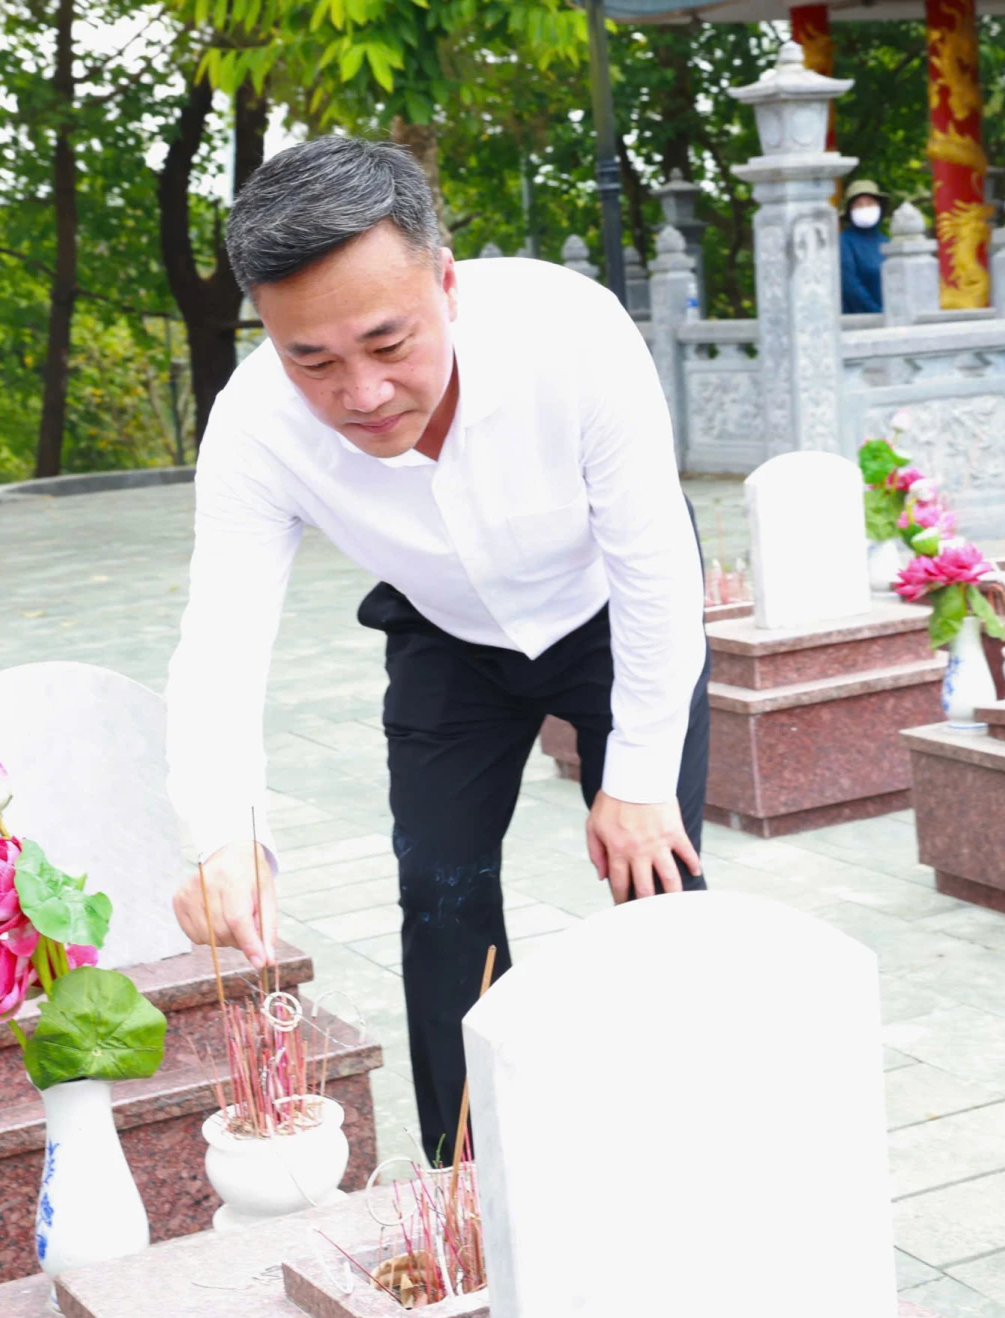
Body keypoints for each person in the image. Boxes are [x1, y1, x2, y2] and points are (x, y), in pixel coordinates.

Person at [164, 136, 710, 1165]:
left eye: (388, 343)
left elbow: (656, 570)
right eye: (313, 361)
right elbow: (221, 638)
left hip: (609, 609)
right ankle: (467, 1175)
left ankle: (692, 1140)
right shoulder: (253, 427)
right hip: (446, 634)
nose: (363, 392)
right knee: (439, 892)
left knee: (657, 876)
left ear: (447, 284)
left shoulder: (573, 333)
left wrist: (637, 778)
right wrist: (223, 832)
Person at [840, 178, 888, 315]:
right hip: (860, 319)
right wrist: (876, 312)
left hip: (891, 315)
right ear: (849, 211)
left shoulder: (885, 241)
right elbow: (849, 285)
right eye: (858, 205)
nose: (865, 208)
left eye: (870, 203)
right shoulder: (844, 242)